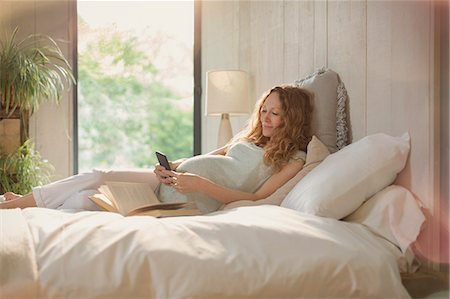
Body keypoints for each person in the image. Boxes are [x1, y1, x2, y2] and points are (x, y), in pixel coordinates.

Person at [0, 85, 313, 214]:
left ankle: (20, 205)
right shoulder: (249, 136)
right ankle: (27, 203)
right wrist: (172, 167)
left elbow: (257, 198)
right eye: (264, 110)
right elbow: (212, 156)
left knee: (86, 198)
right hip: (176, 182)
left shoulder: (294, 160)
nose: (266, 118)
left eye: (275, 113)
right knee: (97, 177)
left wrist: (200, 184)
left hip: (192, 200)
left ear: (292, 117)